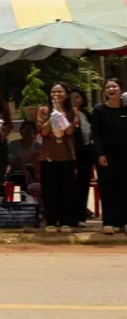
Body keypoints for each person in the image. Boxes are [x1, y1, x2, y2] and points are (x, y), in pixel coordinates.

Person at [38, 82, 79, 233]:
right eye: (53, 92)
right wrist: (53, 113)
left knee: (66, 189)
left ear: (66, 94)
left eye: (60, 92)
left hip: (66, 155)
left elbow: (69, 131)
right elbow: (43, 131)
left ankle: (66, 221)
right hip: (48, 155)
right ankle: (51, 221)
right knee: (50, 189)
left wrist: (61, 113)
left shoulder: (72, 111)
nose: (56, 94)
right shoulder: (43, 110)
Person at [92, 78, 127, 234]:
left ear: (121, 90)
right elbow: (96, 135)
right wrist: (100, 154)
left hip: (125, 155)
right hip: (106, 155)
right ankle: (109, 222)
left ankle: (124, 221)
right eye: (108, 87)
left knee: (124, 186)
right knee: (107, 187)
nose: (111, 89)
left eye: (115, 86)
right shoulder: (99, 110)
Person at [68, 87, 96, 224]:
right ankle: (70, 215)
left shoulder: (86, 113)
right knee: (70, 184)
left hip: (86, 151)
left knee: (83, 183)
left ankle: (81, 215)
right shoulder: (65, 113)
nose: (75, 100)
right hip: (70, 153)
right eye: (72, 97)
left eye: (78, 97)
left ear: (83, 99)